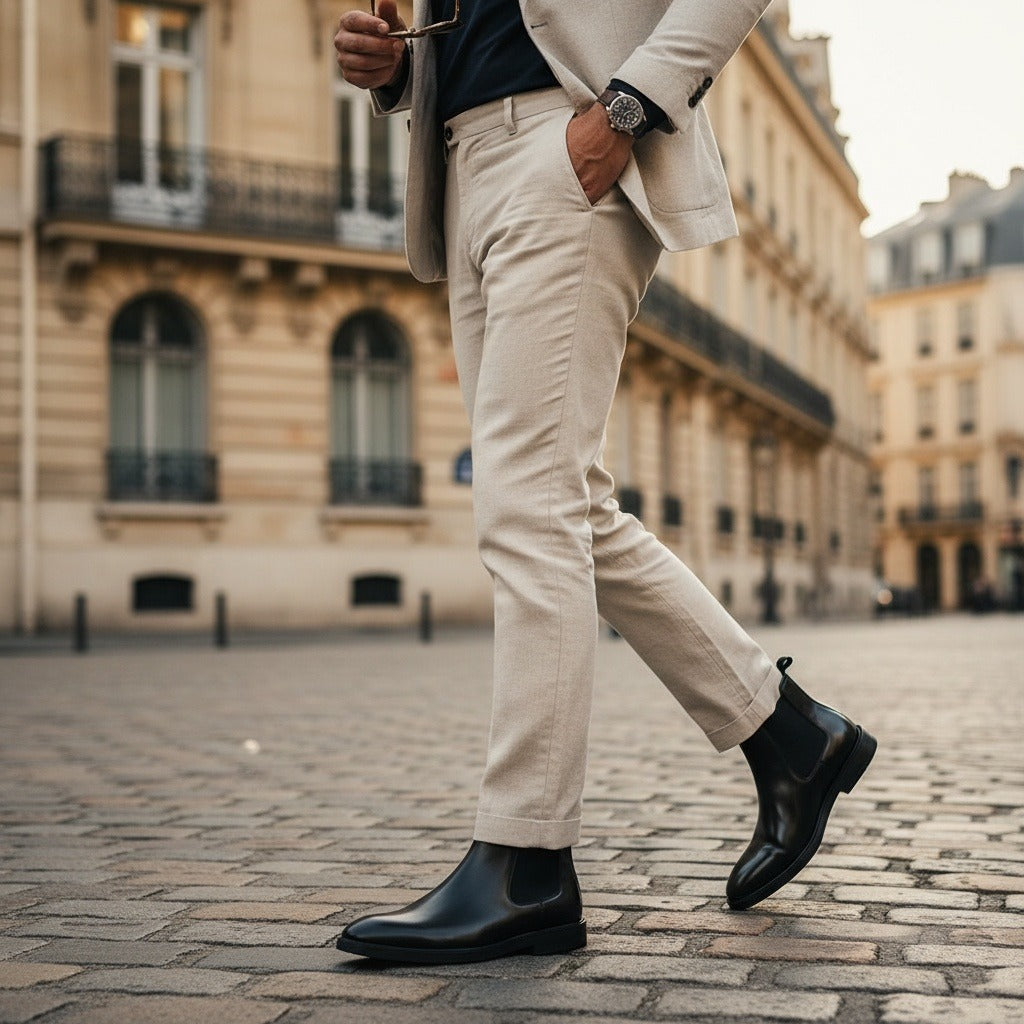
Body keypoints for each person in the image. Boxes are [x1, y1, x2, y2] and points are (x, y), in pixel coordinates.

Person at [332, 0, 877, 965]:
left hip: (569, 140)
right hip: (462, 161)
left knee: (529, 512)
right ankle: (794, 738)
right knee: (566, 504)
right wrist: (399, 73)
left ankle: (526, 862)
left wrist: (628, 108)